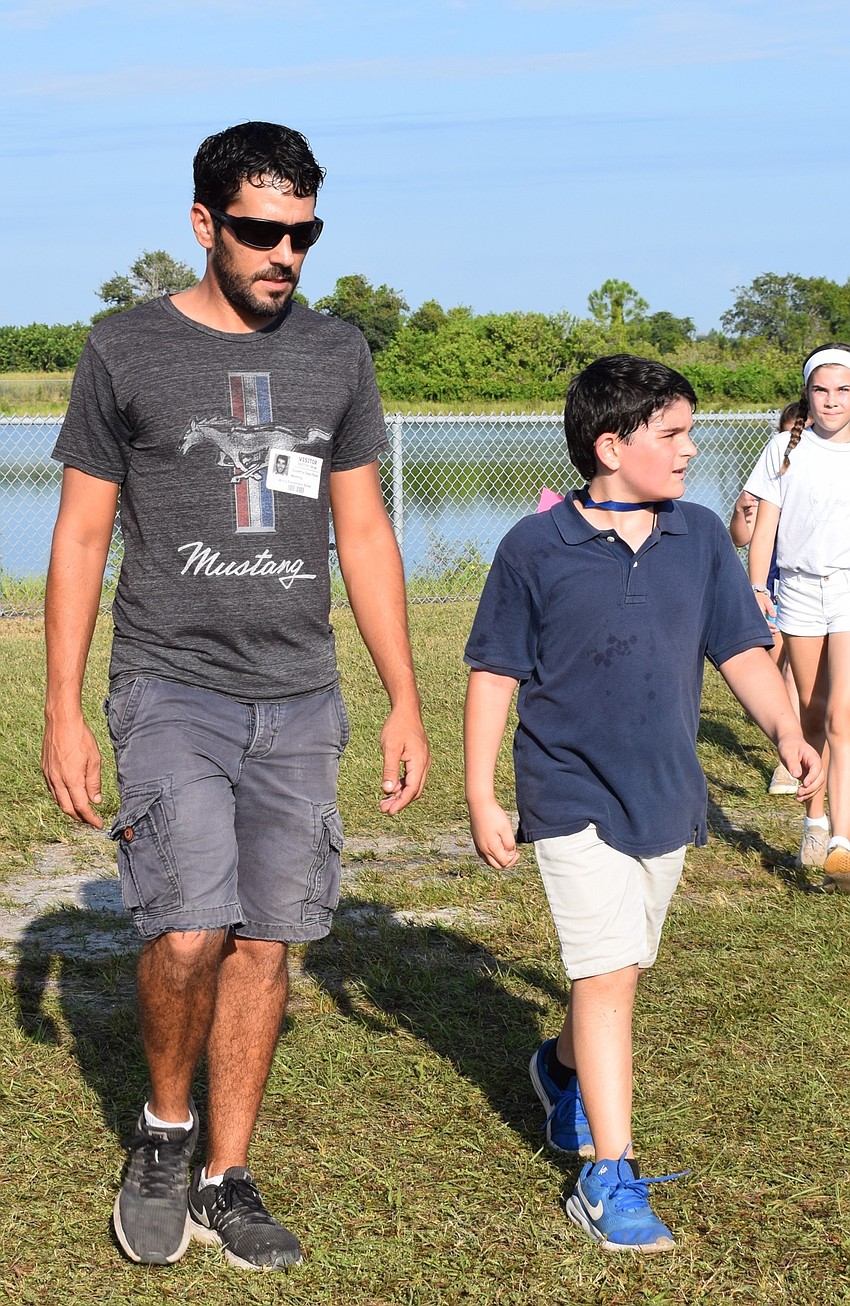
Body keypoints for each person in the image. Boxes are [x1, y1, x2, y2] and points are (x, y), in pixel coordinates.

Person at [41, 121, 430, 1271]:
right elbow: (79, 533)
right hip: (170, 681)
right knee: (189, 924)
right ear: (205, 222)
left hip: (299, 693)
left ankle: (226, 1175)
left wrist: (404, 696)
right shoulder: (124, 348)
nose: (285, 255)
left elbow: (362, 530)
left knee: (268, 935)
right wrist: (63, 707)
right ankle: (166, 1131)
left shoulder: (336, 353)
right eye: (261, 231)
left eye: (303, 233)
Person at [463, 355, 821, 1253]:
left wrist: (784, 726)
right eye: (674, 435)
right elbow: (495, 671)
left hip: (665, 794)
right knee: (608, 973)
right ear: (611, 445)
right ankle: (608, 1178)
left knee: (624, 968)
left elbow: (738, 648)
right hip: (567, 791)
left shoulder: (699, 536)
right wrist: (482, 791)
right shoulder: (531, 548)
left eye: (690, 432)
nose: (692, 450)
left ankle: (557, 1068)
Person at [746, 344, 850, 887]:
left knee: (842, 714)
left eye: (843, 389)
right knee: (811, 715)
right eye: (822, 389)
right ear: (807, 394)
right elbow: (762, 529)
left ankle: (843, 842)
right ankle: (815, 820)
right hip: (801, 596)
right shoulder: (784, 451)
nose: (832, 400)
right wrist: (757, 587)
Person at [728, 402, 806, 799]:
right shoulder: (770, 475)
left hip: (818, 583)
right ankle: (790, 746)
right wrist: (743, 511)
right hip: (777, 584)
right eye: (794, 431)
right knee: (779, 665)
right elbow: (739, 537)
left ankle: (791, 760)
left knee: (799, 673)